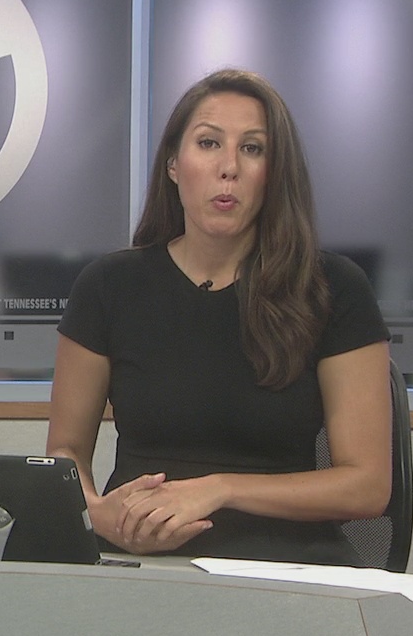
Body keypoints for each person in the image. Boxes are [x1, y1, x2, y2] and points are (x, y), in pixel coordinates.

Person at [45, 68, 393, 566]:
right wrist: (100, 516)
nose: (229, 167)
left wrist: (219, 489)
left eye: (253, 148)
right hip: (141, 562)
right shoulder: (108, 286)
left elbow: (366, 486)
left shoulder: (333, 287)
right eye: (209, 143)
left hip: (286, 566)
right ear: (173, 163)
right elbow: (65, 454)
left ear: (275, 171)